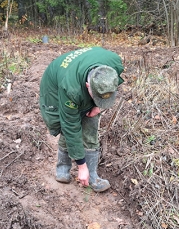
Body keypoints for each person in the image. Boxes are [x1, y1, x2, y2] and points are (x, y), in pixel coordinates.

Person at [39, 47, 124, 192]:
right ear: (87, 86)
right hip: (54, 84)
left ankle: (92, 175)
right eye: (95, 95)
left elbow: (111, 87)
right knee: (66, 124)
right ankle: (63, 169)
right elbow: (70, 126)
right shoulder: (71, 89)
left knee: (91, 123)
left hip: (78, 75)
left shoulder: (114, 64)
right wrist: (81, 166)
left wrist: (98, 106)